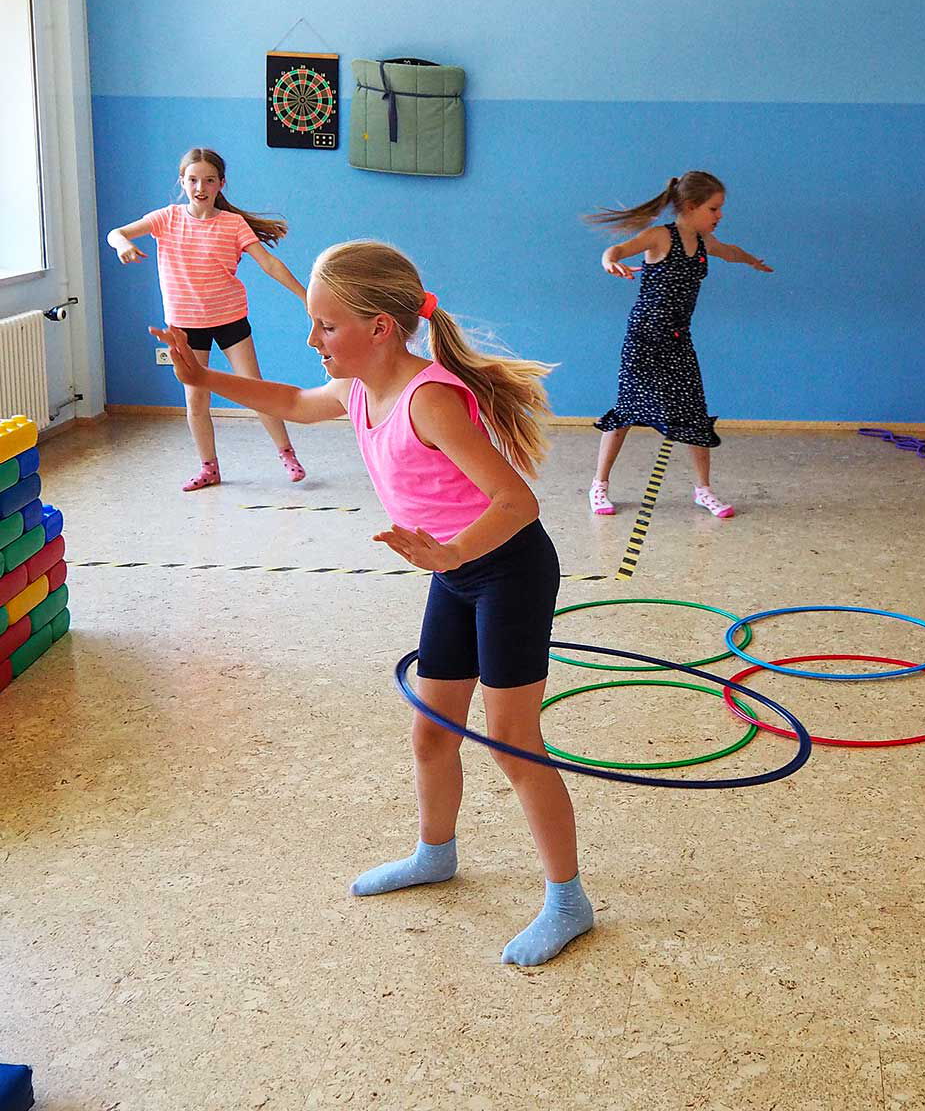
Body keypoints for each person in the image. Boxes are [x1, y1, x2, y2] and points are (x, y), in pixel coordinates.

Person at [149, 239, 591, 967]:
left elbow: (518, 501)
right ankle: (434, 853)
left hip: (506, 568)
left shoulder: (431, 399)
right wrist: (206, 375)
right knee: (430, 732)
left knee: (513, 742)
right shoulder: (359, 389)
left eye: (326, 325)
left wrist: (453, 553)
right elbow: (290, 401)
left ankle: (568, 899)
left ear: (380, 328)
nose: (311, 339)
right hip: (454, 570)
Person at [107, 147, 308, 490]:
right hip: (185, 326)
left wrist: (307, 298)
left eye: (209, 180)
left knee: (255, 389)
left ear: (221, 184)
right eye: (193, 179)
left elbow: (269, 264)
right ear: (182, 182)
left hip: (229, 318)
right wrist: (122, 244)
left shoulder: (232, 224)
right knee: (196, 398)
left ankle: (287, 453)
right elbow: (117, 233)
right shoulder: (166, 218)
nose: (201, 187)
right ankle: (209, 468)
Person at [586, 171, 772, 518]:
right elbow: (618, 249)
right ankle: (599, 486)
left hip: (677, 340)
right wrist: (610, 261)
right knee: (626, 410)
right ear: (690, 206)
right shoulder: (660, 237)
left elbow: (729, 252)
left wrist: (750, 260)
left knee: (694, 413)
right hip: (644, 338)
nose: (720, 216)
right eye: (714, 209)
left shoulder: (704, 243)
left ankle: (703, 490)